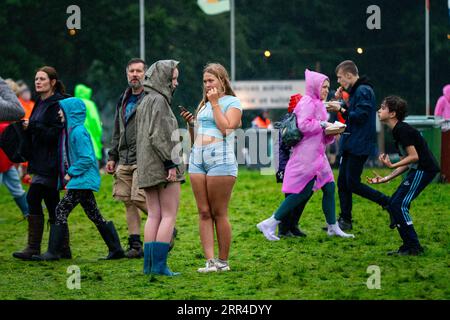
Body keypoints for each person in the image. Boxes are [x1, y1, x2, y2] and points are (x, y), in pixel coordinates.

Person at [257, 69, 354, 241]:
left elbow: (321, 136)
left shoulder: (318, 104)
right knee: (302, 192)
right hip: (306, 156)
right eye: (323, 87)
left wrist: (332, 132)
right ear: (315, 86)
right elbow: (303, 126)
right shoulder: (308, 102)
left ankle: (333, 227)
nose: (326, 90)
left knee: (330, 187)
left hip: (318, 156)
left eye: (327, 87)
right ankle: (270, 222)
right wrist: (324, 124)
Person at [32, 98, 125, 261]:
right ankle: (116, 249)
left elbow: (87, 158)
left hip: (82, 179)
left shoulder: (78, 132)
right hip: (82, 180)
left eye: (61, 110)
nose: (59, 113)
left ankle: (53, 252)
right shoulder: (73, 130)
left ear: (70, 112)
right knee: (94, 214)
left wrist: (70, 173)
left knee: (60, 210)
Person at [106, 58, 176, 258]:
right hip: (125, 157)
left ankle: (167, 227)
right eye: (131, 71)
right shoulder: (124, 98)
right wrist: (113, 155)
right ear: (126, 74)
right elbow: (118, 129)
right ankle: (135, 244)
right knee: (127, 200)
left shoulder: (150, 97)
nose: (135, 74)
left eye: (138, 71)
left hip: (144, 156)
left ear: (145, 75)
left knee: (138, 198)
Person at [180, 64, 242, 273]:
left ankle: (223, 261)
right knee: (204, 212)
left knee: (218, 212)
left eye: (211, 80)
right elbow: (195, 138)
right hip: (198, 157)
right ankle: (210, 262)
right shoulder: (203, 105)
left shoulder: (232, 102)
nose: (207, 85)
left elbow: (226, 129)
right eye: (205, 81)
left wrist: (215, 103)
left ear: (222, 80)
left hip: (220, 159)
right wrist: (191, 125)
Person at [367, 96, 440, 255]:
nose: (379, 110)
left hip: (424, 169)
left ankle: (414, 246)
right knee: (394, 203)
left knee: (398, 205)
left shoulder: (402, 130)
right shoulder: (397, 131)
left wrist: (391, 165)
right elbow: (406, 163)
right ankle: (408, 246)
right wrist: (385, 178)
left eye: (383, 107)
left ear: (392, 114)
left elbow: (414, 157)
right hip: (417, 169)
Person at [12, 66, 71, 260]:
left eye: (42, 79)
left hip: (52, 161)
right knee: (52, 202)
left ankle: (35, 247)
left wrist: (34, 125)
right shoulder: (39, 101)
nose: (38, 82)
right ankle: (61, 248)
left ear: (52, 82)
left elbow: (56, 133)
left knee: (33, 198)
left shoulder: (59, 103)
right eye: (36, 78)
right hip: (39, 160)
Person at [326, 60, 390, 231]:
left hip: (359, 144)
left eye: (340, 78)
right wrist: (341, 103)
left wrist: (340, 109)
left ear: (349, 75)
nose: (338, 81)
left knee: (352, 183)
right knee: (343, 183)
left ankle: (387, 202)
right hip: (351, 142)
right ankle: (345, 220)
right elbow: (353, 114)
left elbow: (360, 116)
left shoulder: (363, 90)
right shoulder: (357, 91)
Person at [137, 60, 184, 276]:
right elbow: (160, 136)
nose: (175, 83)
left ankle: (149, 267)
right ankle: (159, 266)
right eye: (172, 78)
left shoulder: (145, 101)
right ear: (162, 78)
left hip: (146, 167)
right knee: (168, 215)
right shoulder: (161, 102)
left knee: (154, 215)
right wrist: (170, 163)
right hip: (163, 167)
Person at [275, 93, 309, 237]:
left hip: (302, 165)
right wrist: (282, 168)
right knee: (291, 197)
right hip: (288, 165)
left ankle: (293, 225)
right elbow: (282, 148)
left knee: (304, 195)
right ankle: (284, 229)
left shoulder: (303, 120)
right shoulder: (289, 122)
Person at [0, 121, 29, 218]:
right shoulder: (5, 126)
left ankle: (27, 211)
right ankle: (27, 211)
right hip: (5, 162)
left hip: (7, 163)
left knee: (16, 187)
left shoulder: (5, 125)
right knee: (16, 187)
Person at [74, 83, 103, 164]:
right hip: (90, 137)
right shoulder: (89, 104)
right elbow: (95, 120)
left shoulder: (73, 103)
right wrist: (99, 133)